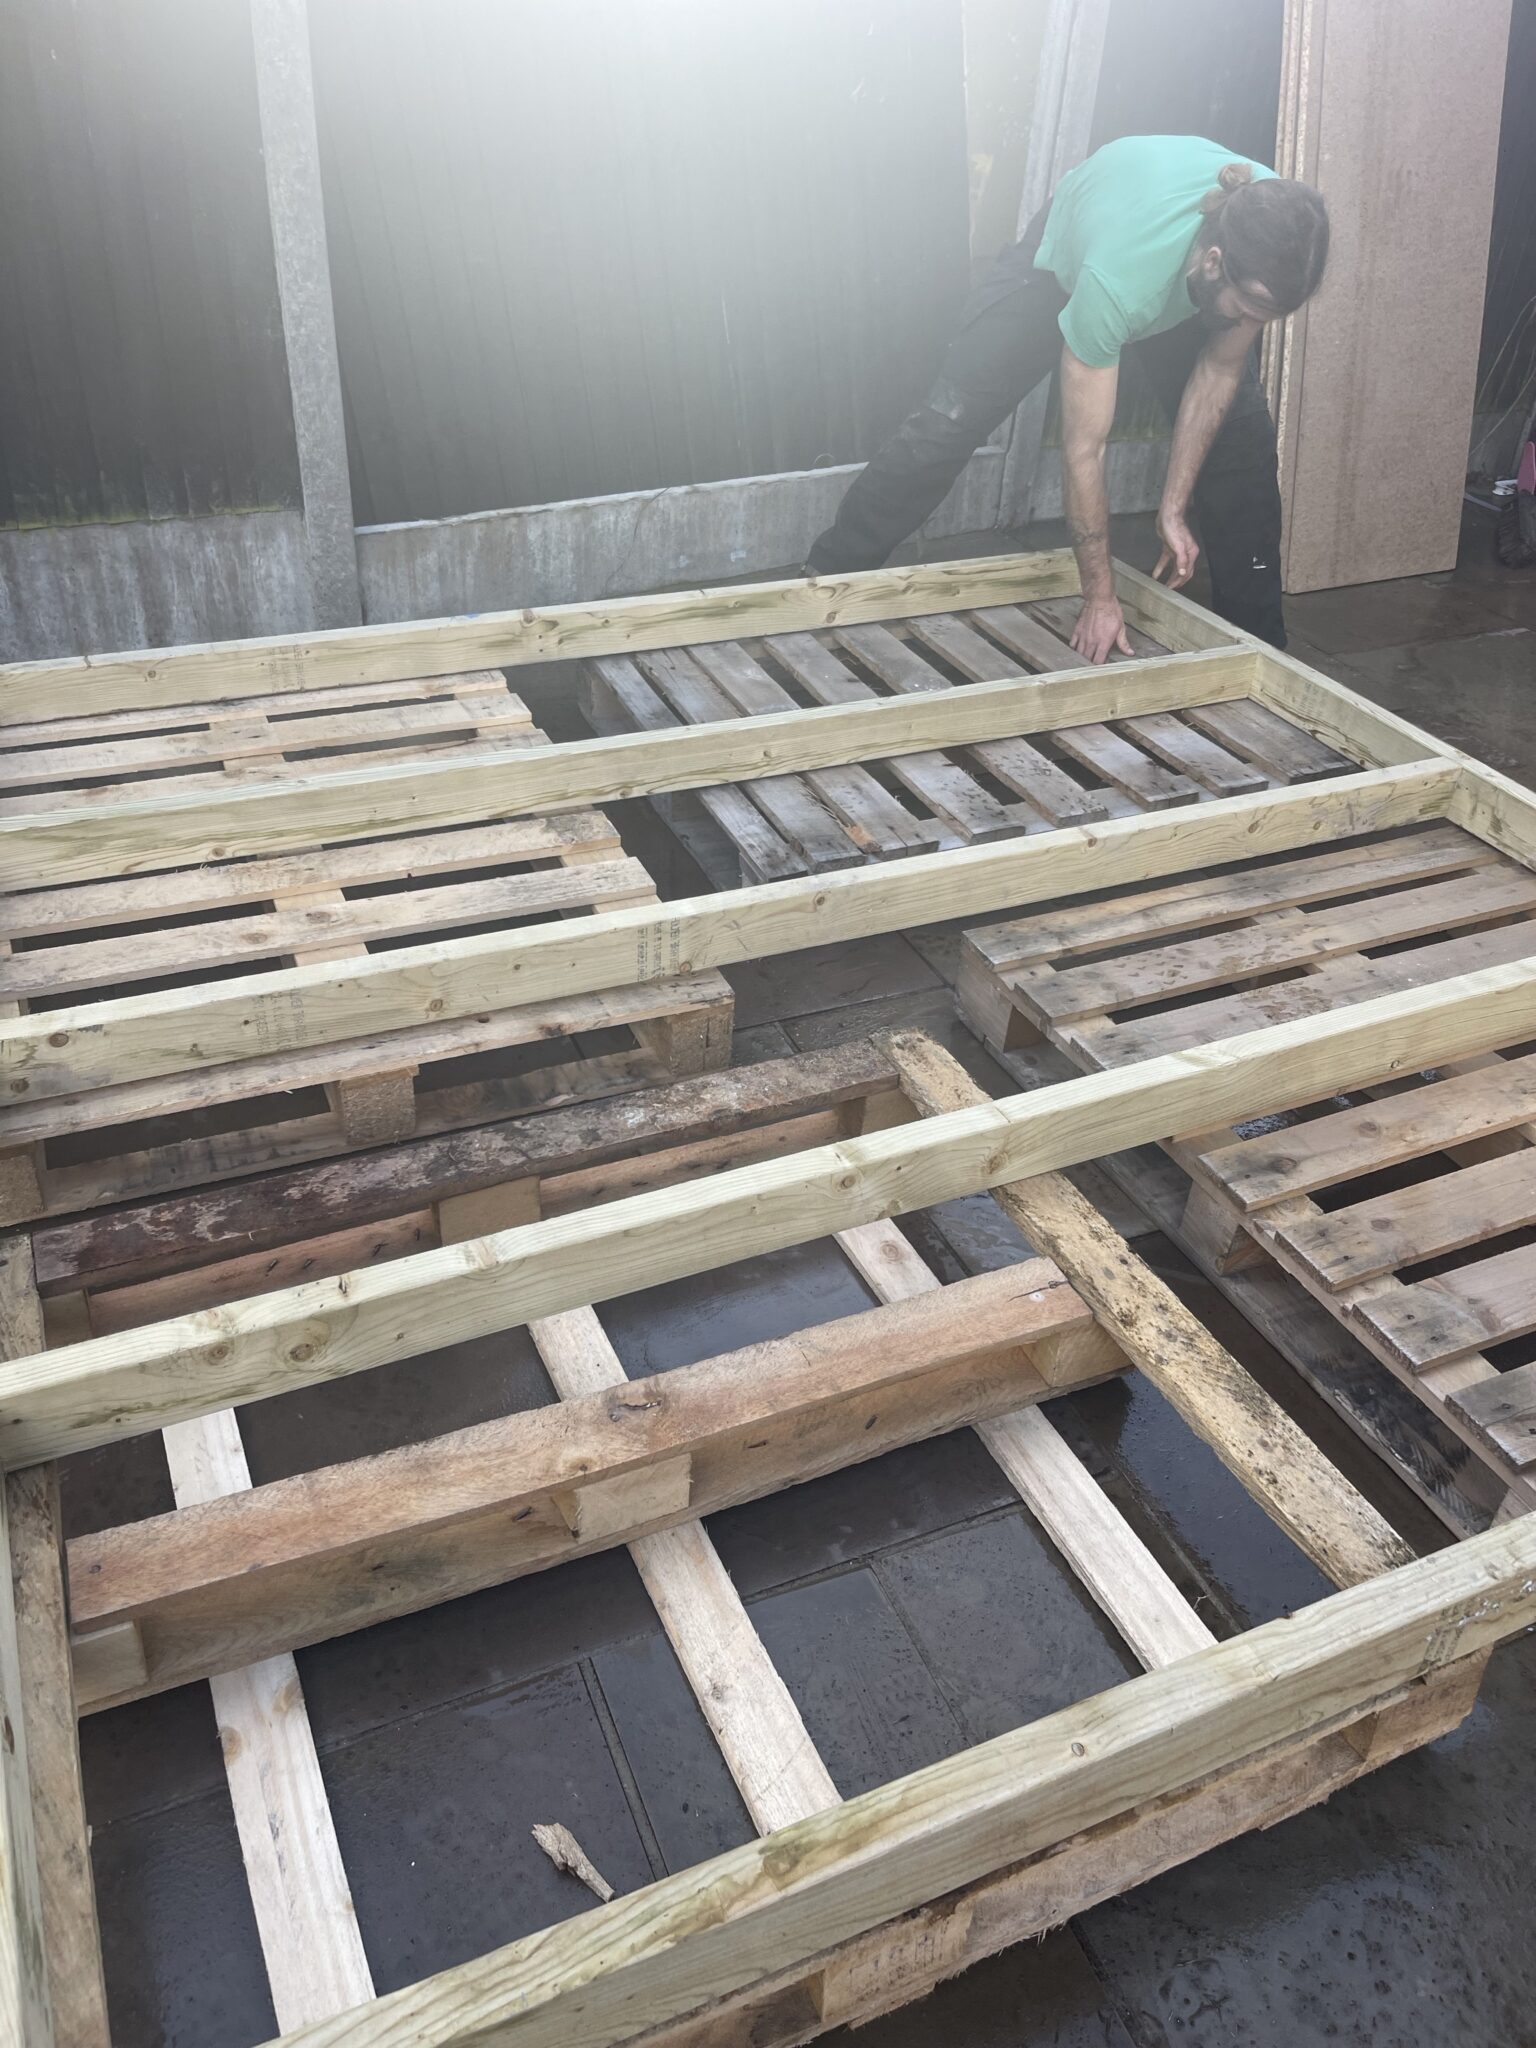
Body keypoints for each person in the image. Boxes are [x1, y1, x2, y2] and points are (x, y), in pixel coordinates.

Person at [806, 134, 1329, 660]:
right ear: (1215, 261)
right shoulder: (1118, 282)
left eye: (1266, 316)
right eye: (1250, 311)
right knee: (949, 422)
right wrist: (1100, 597)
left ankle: (1262, 654)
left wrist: (1173, 507)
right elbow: (1086, 451)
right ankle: (827, 574)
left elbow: (1219, 368)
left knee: (1242, 449)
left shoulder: (1273, 228)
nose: (1252, 326)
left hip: (1178, 270)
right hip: (1070, 259)